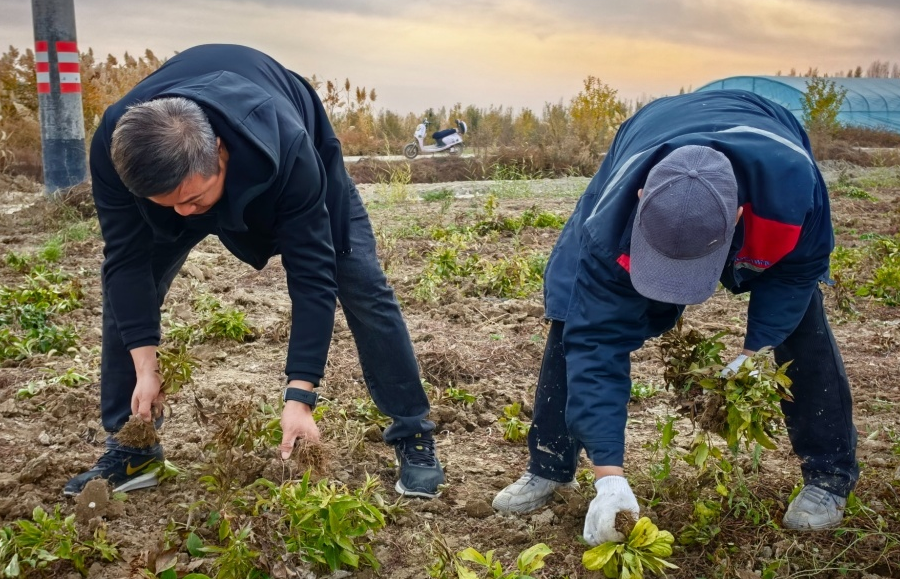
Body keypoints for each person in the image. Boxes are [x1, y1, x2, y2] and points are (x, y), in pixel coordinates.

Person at [65, 44, 444, 499]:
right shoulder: (118, 146)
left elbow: (312, 275)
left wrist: (300, 394)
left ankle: (412, 433)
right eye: (170, 205)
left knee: (361, 283)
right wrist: (145, 364)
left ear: (220, 152)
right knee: (126, 297)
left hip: (279, 166)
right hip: (185, 173)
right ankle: (132, 446)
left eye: (195, 200)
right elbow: (124, 260)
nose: (186, 215)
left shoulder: (286, 144)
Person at [492, 89, 858, 542]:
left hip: (763, 134)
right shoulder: (614, 215)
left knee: (801, 325)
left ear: (740, 216)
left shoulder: (793, 189)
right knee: (573, 314)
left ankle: (829, 476)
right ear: (641, 198)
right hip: (651, 131)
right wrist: (610, 476)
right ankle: (549, 463)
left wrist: (755, 350)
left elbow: (796, 275)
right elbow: (596, 339)